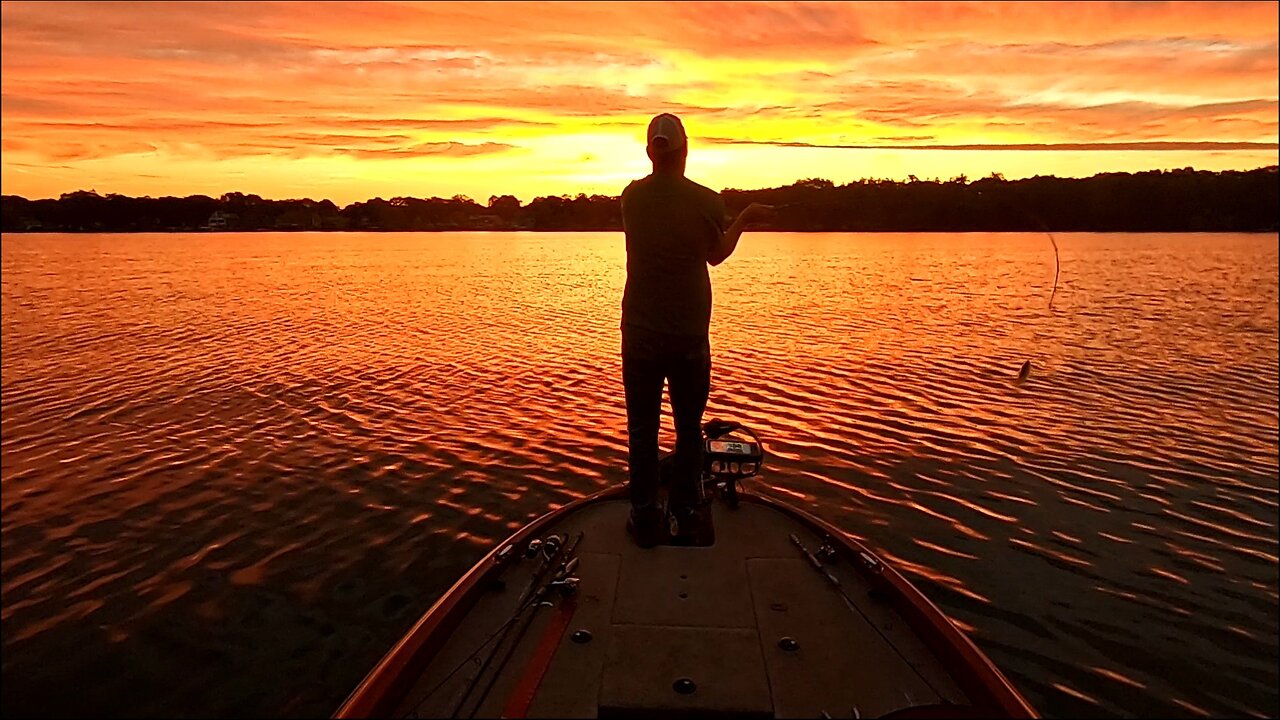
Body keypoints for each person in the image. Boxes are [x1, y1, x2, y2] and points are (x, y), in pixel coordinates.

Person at [619, 112, 773, 548]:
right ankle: (686, 513)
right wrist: (745, 216)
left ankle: (645, 515)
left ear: (651, 151)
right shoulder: (707, 200)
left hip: (640, 333)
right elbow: (717, 254)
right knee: (688, 429)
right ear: (685, 149)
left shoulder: (631, 198)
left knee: (641, 430)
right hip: (688, 336)